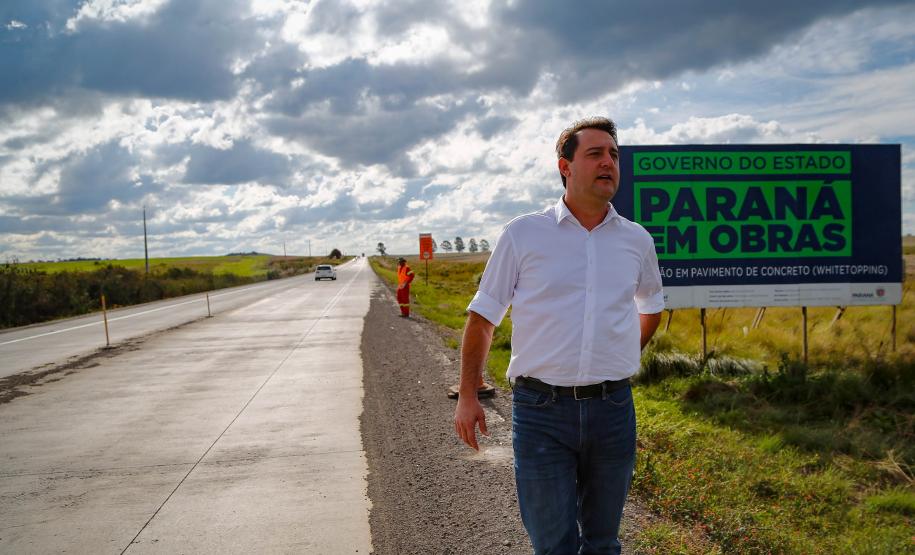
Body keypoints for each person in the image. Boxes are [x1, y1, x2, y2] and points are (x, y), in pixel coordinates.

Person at [453, 117, 664, 554]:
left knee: (604, 543)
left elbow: (652, 306)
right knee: (554, 546)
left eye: (614, 154)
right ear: (565, 167)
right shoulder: (524, 233)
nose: (608, 162)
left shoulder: (637, 240)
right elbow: (483, 318)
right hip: (541, 412)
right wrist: (468, 394)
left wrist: (623, 353)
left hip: (613, 410)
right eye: (595, 153)